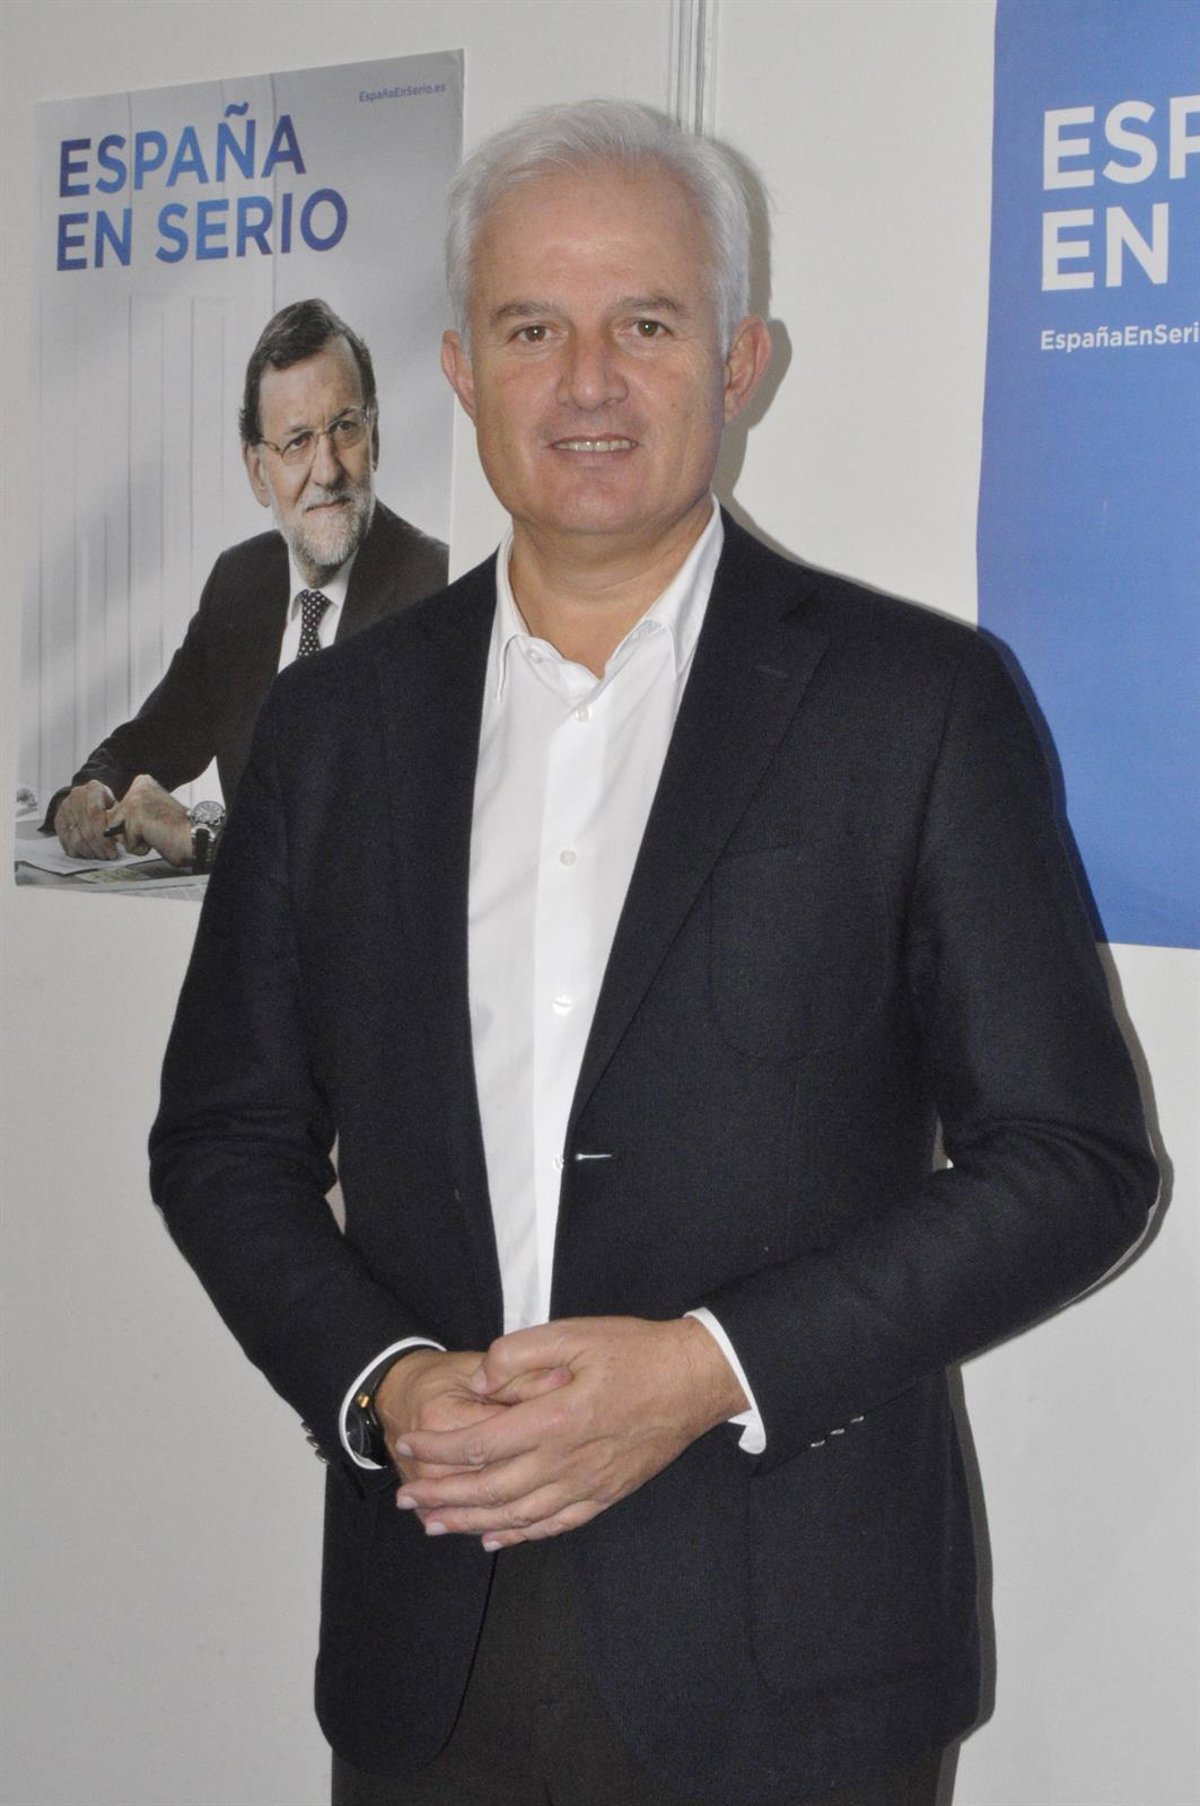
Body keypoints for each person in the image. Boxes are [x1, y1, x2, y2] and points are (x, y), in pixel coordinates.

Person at [150, 102, 1157, 1806]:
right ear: (463, 373)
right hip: (428, 1642)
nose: (589, 382)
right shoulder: (331, 731)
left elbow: (1075, 1159)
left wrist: (707, 1368)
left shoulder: (917, 706)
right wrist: (384, 1383)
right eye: (534, 329)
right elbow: (223, 1140)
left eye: (648, 323)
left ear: (742, 361)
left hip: (797, 1665)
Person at [46, 298, 447, 871]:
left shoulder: (437, 591)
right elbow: (156, 737)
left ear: (374, 437)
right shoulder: (240, 584)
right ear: (258, 470)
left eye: (345, 428)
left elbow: (387, 837)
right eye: (297, 441)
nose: (327, 469)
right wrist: (90, 791)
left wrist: (199, 835)